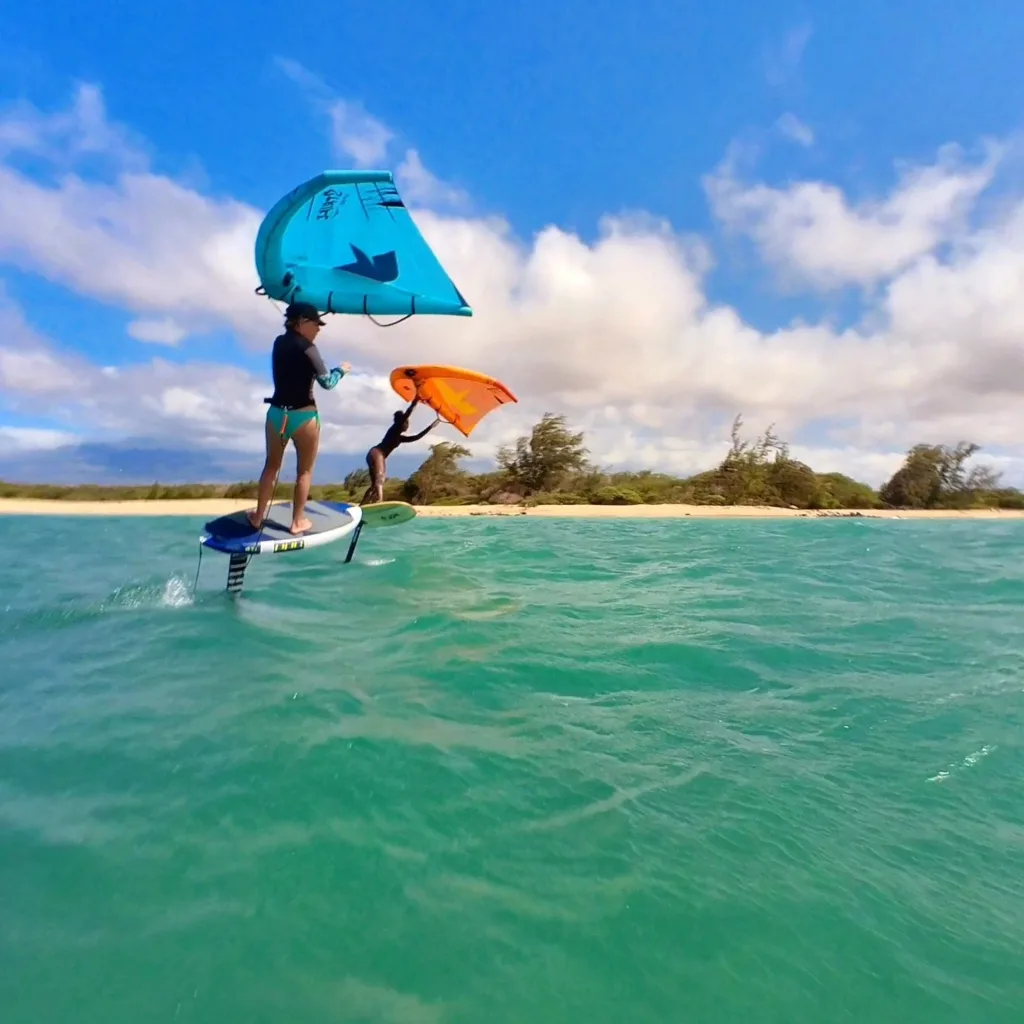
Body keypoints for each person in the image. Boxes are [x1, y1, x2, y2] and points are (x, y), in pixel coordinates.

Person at [247, 300, 350, 535]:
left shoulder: (278, 343)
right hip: (303, 417)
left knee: (271, 467)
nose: (319, 329)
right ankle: (297, 522)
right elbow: (328, 383)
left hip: (277, 415)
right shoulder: (309, 349)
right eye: (316, 324)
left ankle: (258, 517)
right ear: (302, 322)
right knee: (304, 471)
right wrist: (341, 370)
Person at [360, 398, 441, 505]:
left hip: (374, 454)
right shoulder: (395, 428)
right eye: (406, 422)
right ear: (402, 422)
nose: (407, 425)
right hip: (377, 453)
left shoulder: (399, 437)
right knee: (380, 479)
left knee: (375, 484)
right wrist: (415, 401)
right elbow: (408, 413)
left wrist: (431, 426)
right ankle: (379, 502)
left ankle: (362, 505)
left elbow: (416, 437)